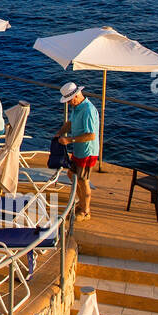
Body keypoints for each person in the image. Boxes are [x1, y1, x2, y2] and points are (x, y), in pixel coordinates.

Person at [56, 81, 101, 219]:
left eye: (69, 101)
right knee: (72, 175)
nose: (68, 104)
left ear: (75, 97)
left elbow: (91, 135)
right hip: (79, 150)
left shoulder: (88, 110)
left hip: (87, 152)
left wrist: (69, 140)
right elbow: (71, 123)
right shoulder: (77, 107)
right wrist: (60, 132)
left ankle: (85, 210)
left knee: (83, 180)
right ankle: (82, 203)